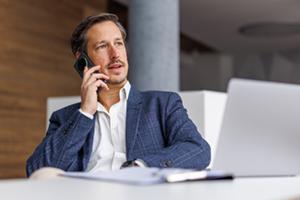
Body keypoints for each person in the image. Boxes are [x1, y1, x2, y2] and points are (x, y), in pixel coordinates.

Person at [26, 13, 211, 177]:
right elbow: (39, 172)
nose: (115, 54)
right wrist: (85, 113)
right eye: (102, 46)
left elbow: (198, 150)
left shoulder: (162, 104)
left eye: (118, 44)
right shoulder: (65, 118)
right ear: (82, 60)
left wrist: (141, 167)